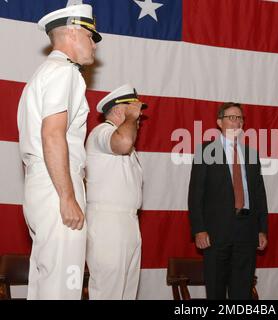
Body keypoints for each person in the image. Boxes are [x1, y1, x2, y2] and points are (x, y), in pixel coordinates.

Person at [16, 4, 101, 299]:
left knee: (46, 282)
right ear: (74, 32)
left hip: (42, 183)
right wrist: (67, 196)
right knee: (64, 284)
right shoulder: (65, 73)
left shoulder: (42, 74)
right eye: (91, 36)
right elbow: (52, 134)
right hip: (57, 185)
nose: (94, 45)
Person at [188, 102, 268, 299]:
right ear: (219, 122)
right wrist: (199, 229)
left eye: (240, 118)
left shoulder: (251, 154)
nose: (237, 122)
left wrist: (262, 228)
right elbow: (195, 194)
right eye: (231, 117)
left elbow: (259, 195)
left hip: (247, 230)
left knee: (242, 291)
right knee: (215, 289)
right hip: (216, 231)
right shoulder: (205, 152)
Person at [85, 84, 146, 299]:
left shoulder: (119, 137)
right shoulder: (102, 132)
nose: (139, 116)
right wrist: (130, 118)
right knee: (108, 290)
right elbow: (123, 143)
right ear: (120, 110)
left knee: (126, 293)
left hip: (128, 222)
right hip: (108, 222)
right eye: (134, 110)